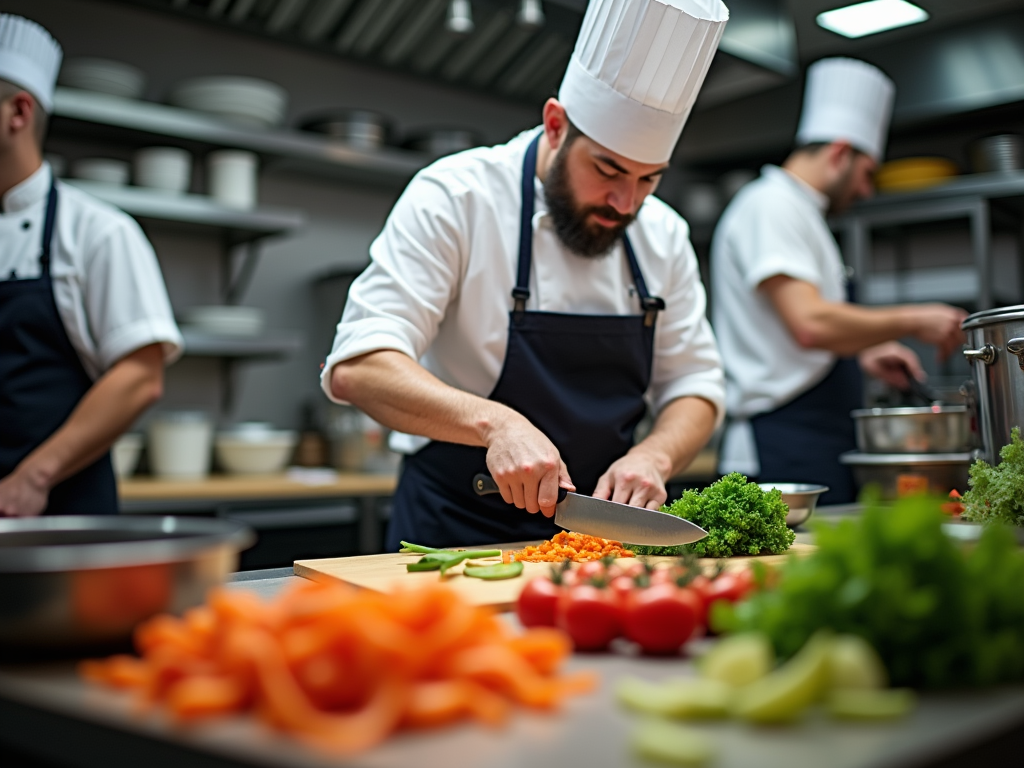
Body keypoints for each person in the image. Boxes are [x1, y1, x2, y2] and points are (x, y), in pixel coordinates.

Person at [322, 0, 730, 549]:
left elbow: (697, 387)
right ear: (556, 126)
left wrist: (654, 455)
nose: (625, 203)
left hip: (597, 539)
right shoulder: (456, 196)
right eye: (607, 169)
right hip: (454, 531)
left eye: (648, 179)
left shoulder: (663, 233)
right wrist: (496, 424)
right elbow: (360, 367)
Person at [711, 58, 966, 504]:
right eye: (867, 172)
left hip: (812, 436)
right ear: (839, 154)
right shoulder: (770, 205)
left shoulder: (801, 213)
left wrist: (863, 350)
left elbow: (796, 334)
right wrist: (913, 319)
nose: (867, 189)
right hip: (781, 444)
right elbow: (809, 323)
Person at [0, 14, 182, 516]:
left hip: (60, 514)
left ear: (17, 112)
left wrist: (32, 477)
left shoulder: (97, 231)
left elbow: (139, 376)